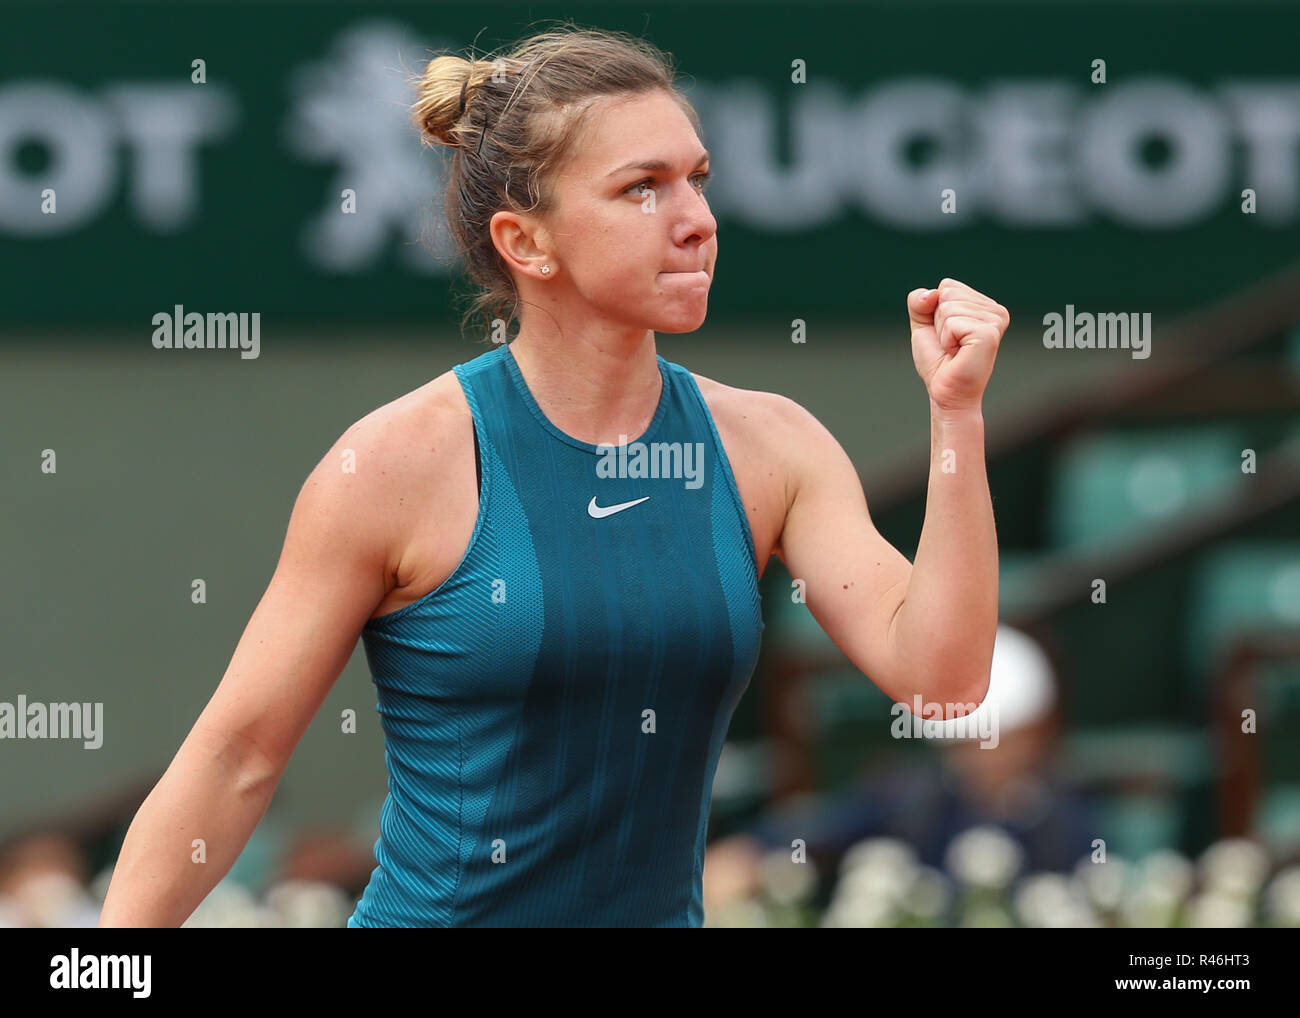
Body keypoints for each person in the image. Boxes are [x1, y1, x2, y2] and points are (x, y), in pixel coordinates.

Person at [98, 23, 1008, 928]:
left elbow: (945, 683)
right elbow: (237, 757)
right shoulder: (389, 464)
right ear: (527, 243)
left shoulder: (773, 447)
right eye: (641, 189)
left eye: (697, 179)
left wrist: (956, 417)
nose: (697, 219)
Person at [703, 625, 1099, 913]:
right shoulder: (913, 797)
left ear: (1031, 735)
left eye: (988, 740)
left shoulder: (1067, 817)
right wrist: (751, 852)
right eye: (963, 744)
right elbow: (826, 827)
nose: (975, 756)